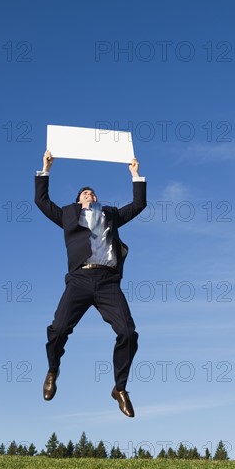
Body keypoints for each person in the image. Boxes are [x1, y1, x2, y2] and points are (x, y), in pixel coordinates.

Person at [34, 150, 147, 417]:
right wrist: (46, 168)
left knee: (128, 333)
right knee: (59, 328)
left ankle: (120, 388)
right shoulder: (67, 216)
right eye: (85, 193)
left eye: (93, 193)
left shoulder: (110, 215)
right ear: (78, 201)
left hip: (108, 281)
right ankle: (53, 369)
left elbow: (138, 205)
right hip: (79, 280)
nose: (90, 194)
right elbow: (41, 200)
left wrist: (135, 175)